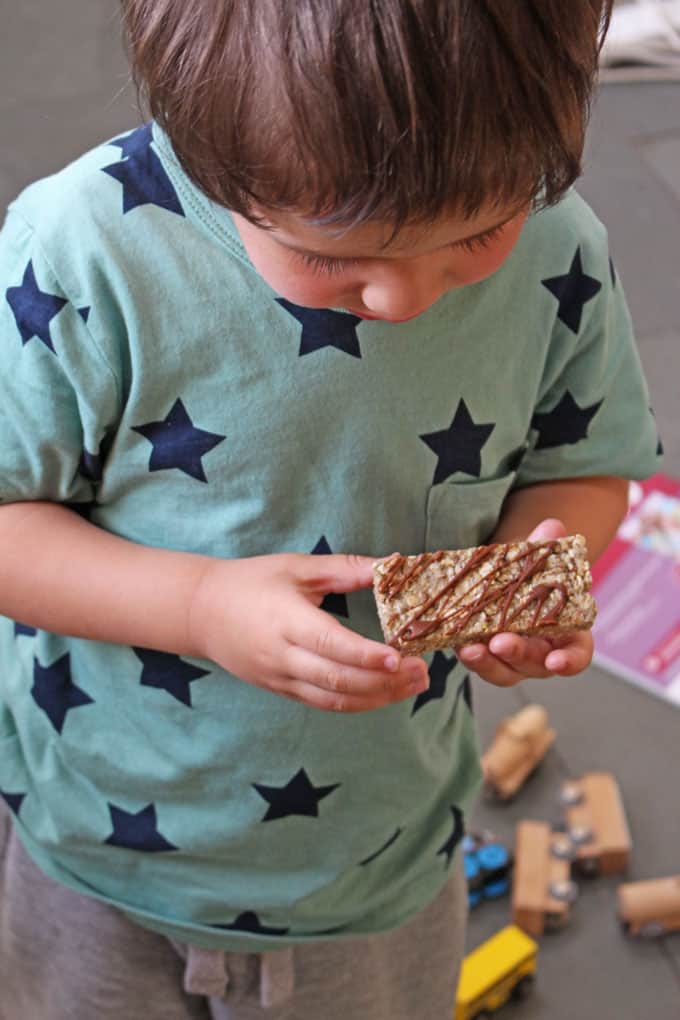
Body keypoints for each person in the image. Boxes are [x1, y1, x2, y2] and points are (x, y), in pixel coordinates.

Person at [0, 1, 661, 1017]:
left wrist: (542, 566)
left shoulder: (557, 249)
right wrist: (197, 608)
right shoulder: (83, 250)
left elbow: (581, 465)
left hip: (376, 863)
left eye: (477, 233)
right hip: (101, 856)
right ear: (211, 154)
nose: (403, 299)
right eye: (329, 256)